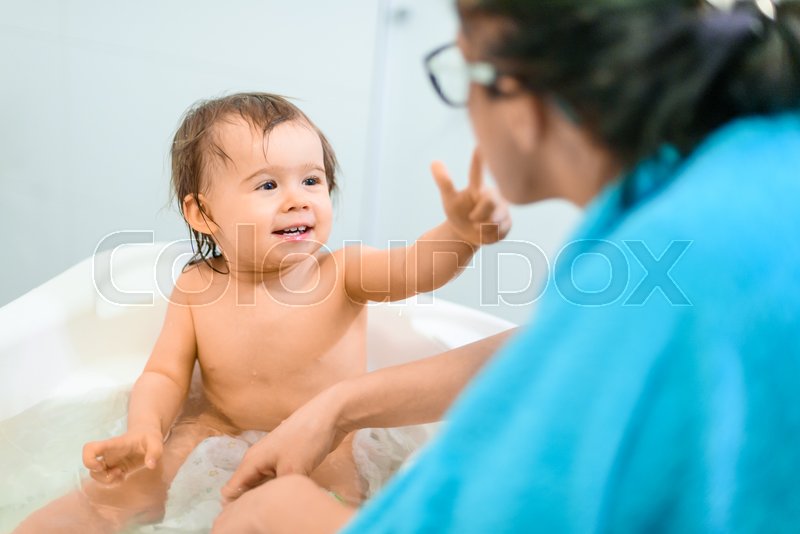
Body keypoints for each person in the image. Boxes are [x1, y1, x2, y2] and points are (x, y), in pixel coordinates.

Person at [212, 1, 800, 532]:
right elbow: (567, 348)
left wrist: (278, 513)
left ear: (514, 91)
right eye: (266, 185)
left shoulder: (680, 251)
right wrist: (339, 406)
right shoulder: (741, 172)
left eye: (459, 73)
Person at [13, 92, 511, 533]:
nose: (297, 200)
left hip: (326, 447)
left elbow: (417, 269)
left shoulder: (343, 273)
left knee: (333, 502)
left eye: (312, 180)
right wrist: (144, 428)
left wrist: (461, 234)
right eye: (268, 185)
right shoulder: (197, 287)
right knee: (111, 495)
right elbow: (164, 374)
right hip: (215, 429)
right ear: (202, 213)